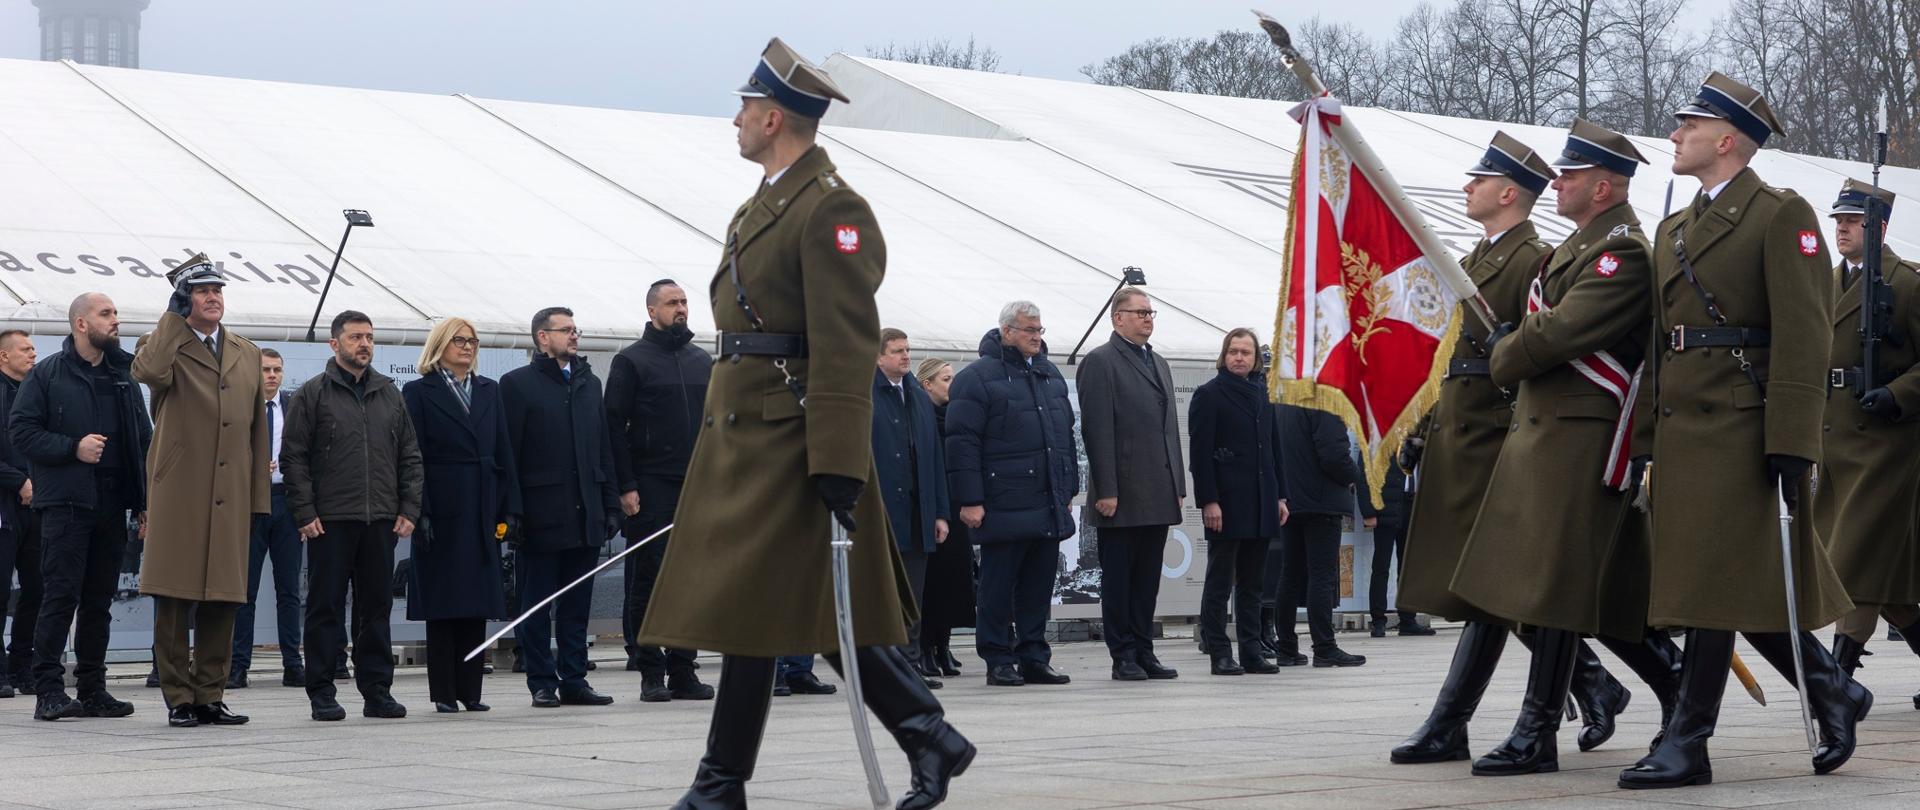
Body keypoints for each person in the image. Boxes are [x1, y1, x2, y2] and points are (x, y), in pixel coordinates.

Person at [638, 38, 973, 809]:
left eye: (746, 108)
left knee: (777, 607)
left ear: (776, 116)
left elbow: (846, 342)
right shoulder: (762, 204)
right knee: (763, 609)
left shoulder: (833, 210)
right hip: (747, 434)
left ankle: (725, 785)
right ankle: (922, 736)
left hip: (790, 439)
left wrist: (836, 460)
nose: (735, 120)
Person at [1625, 71, 1869, 789]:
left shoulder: (1779, 214)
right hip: (1682, 428)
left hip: (1739, 423)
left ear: (1726, 139)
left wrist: (1794, 442)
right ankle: (1832, 690)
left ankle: (1688, 740)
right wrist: (1644, 437)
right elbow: (1656, 344)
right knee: (1725, 580)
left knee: (1711, 583)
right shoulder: (1673, 226)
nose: (1674, 136)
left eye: (1688, 126)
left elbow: (1805, 334)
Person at [1390, 132, 1639, 764]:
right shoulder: (1479, 257)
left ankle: (1470, 718)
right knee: (1493, 585)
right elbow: (1452, 355)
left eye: (1480, 180)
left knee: (1498, 584)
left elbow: (1533, 349)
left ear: (1508, 192)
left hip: (1505, 437)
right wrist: (1421, 427)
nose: (1467, 187)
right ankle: (1594, 683)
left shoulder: (1534, 255)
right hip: (1468, 430)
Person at [1448, 120, 1685, 775]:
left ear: (1604, 186)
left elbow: (1564, 330)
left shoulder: (1623, 251)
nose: (1559, 181)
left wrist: (1505, 353)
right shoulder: (1576, 248)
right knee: (1580, 589)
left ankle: (1537, 731)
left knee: (1554, 587)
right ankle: (1674, 689)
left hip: (1585, 437)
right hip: (1549, 435)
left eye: (1572, 174)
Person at [130, 256, 270, 728]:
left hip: (231, 491)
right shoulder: (160, 343)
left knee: (223, 597)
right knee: (173, 596)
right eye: (202, 290)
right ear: (185, 299)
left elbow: (257, 433)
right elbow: (148, 372)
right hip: (180, 490)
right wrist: (171, 319)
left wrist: (256, 499)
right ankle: (178, 697)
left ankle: (210, 693)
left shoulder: (246, 351)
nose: (213, 297)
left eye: (218, 290)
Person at [11, 293, 150, 721]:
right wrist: (74, 447)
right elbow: (21, 431)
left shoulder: (124, 375)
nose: (116, 320)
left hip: (112, 504)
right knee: (60, 597)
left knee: (98, 600)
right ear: (81, 325)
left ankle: (92, 689)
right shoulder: (49, 374)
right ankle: (49, 692)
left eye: (115, 312)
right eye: (106, 314)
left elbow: (142, 440)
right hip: (66, 505)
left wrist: (145, 503)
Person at [282, 310, 424, 722]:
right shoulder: (312, 394)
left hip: (381, 519)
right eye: (356, 337)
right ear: (334, 344)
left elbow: (410, 456)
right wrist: (305, 512)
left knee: (376, 608)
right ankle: (322, 691)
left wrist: (408, 508)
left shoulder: (389, 393)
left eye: (369, 337)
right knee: (325, 607)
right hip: (330, 520)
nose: (364, 344)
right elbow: (293, 458)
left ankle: (377, 690)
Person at [1813, 181, 1920, 691]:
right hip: (1835, 442)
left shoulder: (1908, 283)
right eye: (1837, 220)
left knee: (1851, 560)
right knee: (1890, 584)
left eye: (1852, 221)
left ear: (1876, 227)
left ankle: (1836, 686)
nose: (1841, 228)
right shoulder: (1823, 281)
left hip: (1887, 446)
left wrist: (1898, 392)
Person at [948, 301, 1079, 688]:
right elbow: (961, 444)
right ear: (1007, 331)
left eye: (1040, 330)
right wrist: (970, 500)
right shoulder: (976, 378)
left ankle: (1034, 655)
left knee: (1039, 585)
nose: (1037, 337)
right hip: (1002, 502)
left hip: (1045, 501)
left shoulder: (1049, 374)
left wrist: (1067, 487)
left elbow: (1064, 438)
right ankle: (997, 657)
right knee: (997, 586)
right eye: (1029, 330)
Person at [501, 306, 621, 709]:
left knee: (576, 604)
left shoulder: (590, 383)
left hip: (585, 511)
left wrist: (609, 504)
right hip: (541, 514)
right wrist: (512, 513)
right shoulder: (517, 385)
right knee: (535, 604)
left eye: (576, 329)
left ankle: (575, 677)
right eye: (565, 330)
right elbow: (509, 457)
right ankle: (540, 680)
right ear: (542, 337)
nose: (574, 336)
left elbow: (603, 449)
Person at [403, 317, 520, 714]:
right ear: (440, 345)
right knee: (444, 604)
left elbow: (504, 451)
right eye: (458, 340)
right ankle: (443, 693)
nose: (467, 347)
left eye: (472, 341)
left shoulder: (489, 390)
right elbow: (413, 455)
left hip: (482, 506)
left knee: (476, 603)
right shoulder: (419, 392)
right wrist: (420, 512)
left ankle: (472, 691)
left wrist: (510, 508)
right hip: (442, 506)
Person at [606, 279, 714, 703]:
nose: (681, 309)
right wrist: (626, 486)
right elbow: (613, 426)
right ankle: (650, 669)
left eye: (685, 302)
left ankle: (684, 668)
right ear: (652, 310)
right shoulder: (631, 361)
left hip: (697, 486)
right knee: (649, 581)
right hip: (651, 484)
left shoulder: (701, 360)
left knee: (691, 582)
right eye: (672, 303)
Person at [1077, 287, 1187, 681]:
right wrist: (1106, 488)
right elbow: (1097, 430)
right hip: (1121, 493)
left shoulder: (1158, 361)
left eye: (1151, 312)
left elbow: (1170, 430)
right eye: (1140, 312)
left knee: (1146, 580)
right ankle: (1122, 653)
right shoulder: (1101, 362)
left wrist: (1177, 480)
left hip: (1157, 490)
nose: (1147, 318)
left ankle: (1144, 649)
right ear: (1117, 317)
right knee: (1120, 579)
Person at [1188, 328, 1288, 676]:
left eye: (1246, 352)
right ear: (1224, 355)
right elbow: (1200, 456)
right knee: (1219, 581)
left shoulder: (1263, 395)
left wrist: (1281, 495)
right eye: (1234, 351)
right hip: (1227, 504)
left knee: (1253, 583)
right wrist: (1209, 501)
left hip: (1261, 502)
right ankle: (1218, 651)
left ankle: (1251, 650)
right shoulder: (1209, 395)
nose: (1240, 358)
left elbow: (1274, 450)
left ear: (1255, 358)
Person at [873, 328, 950, 688]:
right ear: (878, 357)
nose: (905, 356)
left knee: (912, 595)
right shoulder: (865, 395)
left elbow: (934, 458)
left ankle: (910, 664)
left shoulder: (918, 396)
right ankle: (881, 667)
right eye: (897, 351)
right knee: (880, 594)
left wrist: (939, 512)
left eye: (907, 350)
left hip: (918, 513)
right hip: (879, 514)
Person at [1268, 402, 1367, 668]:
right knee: (1322, 575)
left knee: (1290, 574)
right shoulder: (1324, 400)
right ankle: (1325, 647)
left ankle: (1286, 647)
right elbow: (1335, 455)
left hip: (1291, 499)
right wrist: (1355, 475)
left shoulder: (1283, 402)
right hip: (1321, 500)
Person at [230, 348, 305, 689]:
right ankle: (237, 666)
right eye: (265, 370)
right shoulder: (239, 407)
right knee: (245, 590)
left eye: (277, 369)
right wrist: (250, 468)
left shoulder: (294, 407)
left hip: (287, 503)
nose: (272, 375)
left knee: (289, 590)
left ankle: (293, 663)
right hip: (249, 504)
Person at [916, 357, 975, 678]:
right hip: (930, 505)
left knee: (955, 578)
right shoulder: (918, 416)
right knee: (930, 580)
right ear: (927, 384)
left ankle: (943, 643)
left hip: (955, 504)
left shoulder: (955, 417)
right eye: (946, 379)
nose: (952, 384)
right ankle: (924, 645)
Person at [0, 329, 39, 699]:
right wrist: (18, 481)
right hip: (5, 506)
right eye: (25, 349)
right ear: (3, 357)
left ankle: (23, 665)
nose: (33, 354)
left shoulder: (38, 393)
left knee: (38, 588)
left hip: (39, 506)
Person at [1366, 464, 1427, 637]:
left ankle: (1408, 619)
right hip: (1387, 505)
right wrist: (1368, 511)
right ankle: (1378, 620)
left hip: (1413, 503)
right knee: (1381, 566)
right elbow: (1366, 472)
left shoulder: (1421, 439)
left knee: (1408, 566)